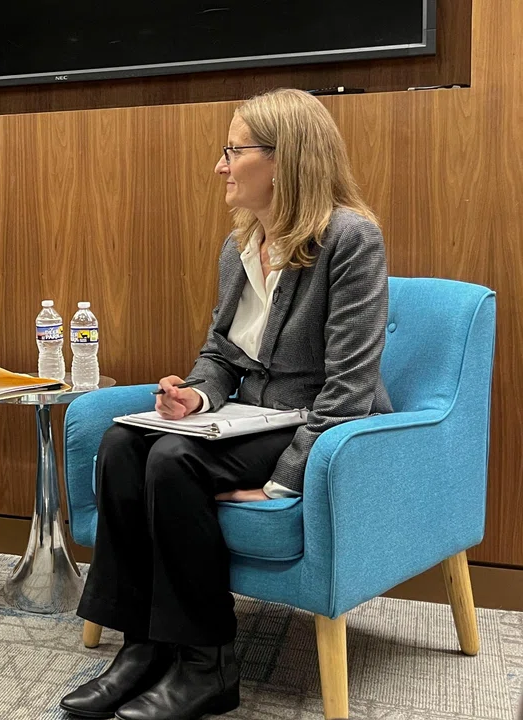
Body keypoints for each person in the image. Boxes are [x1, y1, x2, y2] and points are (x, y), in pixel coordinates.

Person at [60, 88, 393, 720]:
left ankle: (208, 664)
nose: (220, 165)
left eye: (232, 150)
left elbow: (349, 386)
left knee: (172, 462)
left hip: (317, 425)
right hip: (248, 415)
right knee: (124, 442)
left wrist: (282, 481)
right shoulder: (238, 245)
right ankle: (143, 647)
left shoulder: (352, 239)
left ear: (283, 159)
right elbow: (220, 353)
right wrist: (196, 393)